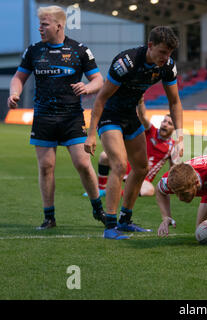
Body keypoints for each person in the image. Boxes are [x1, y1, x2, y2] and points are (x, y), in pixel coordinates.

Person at [7, 6, 105, 229]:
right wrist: (15, 93)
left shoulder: (79, 50)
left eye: (45, 24)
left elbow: (99, 79)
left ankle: (98, 208)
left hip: (72, 117)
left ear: (59, 26)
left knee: (82, 163)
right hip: (44, 117)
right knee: (46, 167)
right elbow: (18, 77)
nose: (40, 28)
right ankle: (49, 217)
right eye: (40, 24)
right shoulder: (33, 51)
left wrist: (88, 87)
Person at [84, 26, 184, 240]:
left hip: (131, 116)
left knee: (141, 168)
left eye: (170, 54)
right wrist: (91, 134)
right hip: (110, 115)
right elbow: (101, 99)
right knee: (119, 165)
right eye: (163, 52)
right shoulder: (126, 62)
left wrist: (180, 136)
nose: (166, 58)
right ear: (150, 46)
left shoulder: (167, 66)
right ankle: (110, 226)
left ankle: (125, 220)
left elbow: (174, 102)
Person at [91, 101, 177, 198]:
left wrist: (172, 184)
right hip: (129, 166)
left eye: (169, 123)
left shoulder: (173, 147)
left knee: (149, 190)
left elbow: (172, 170)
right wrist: (141, 100)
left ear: (174, 128)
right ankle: (101, 189)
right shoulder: (151, 131)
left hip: (143, 177)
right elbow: (143, 116)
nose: (165, 124)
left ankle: (119, 192)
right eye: (164, 121)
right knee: (104, 156)